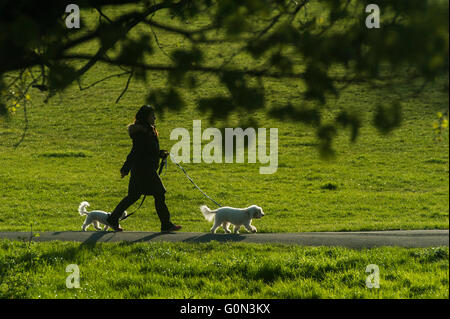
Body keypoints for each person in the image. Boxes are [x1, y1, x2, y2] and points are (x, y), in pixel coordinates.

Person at [106, 105, 182, 232]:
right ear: (146, 117)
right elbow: (135, 151)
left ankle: (113, 218)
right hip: (144, 170)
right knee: (159, 193)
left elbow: (148, 151)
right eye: (152, 115)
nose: (155, 118)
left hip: (143, 169)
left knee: (133, 196)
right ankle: (166, 225)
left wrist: (160, 153)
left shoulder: (149, 130)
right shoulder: (142, 133)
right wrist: (125, 168)